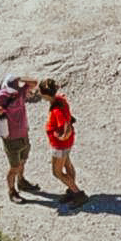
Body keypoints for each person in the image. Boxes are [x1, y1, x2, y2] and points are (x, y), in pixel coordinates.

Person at [0, 74, 40, 203]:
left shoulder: (20, 91)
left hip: (24, 134)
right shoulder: (1, 95)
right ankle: (12, 192)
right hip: (11, 138)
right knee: (14, 167)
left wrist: (20, 78)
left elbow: (34, 82)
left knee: (23, 161)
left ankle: (22, 181)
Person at [38, 78, 86, 208]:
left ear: (46, 94)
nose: (39, 94)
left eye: (40, 92)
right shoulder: (60, 99)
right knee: (68, 164)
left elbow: (66, 125)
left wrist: (62, 137)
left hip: (60, 146)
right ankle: (71, 190)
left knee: (57, 172)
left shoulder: (56, 110)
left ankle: (78, 193)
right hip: (68, 144)